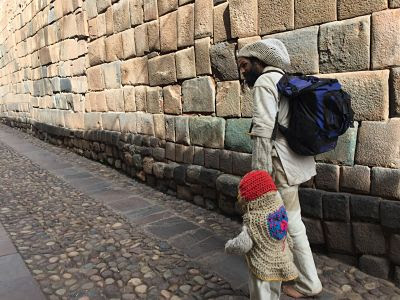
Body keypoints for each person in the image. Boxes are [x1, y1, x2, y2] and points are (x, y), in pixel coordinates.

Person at [236, 39, 323, 298]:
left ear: (259, 62)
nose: (242, 71)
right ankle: (309, 283)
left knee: (265, 233)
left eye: (244, 65)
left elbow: (263, 132)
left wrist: (258, 180)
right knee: (293, 224)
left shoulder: (264, 82)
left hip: (276, 169)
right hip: (295, 165)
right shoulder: (287, 81)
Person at [225, 170, 298, 300]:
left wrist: (229, 246)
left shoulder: (254, 220)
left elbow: (243, 244)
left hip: (261, 264)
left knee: (260, 290)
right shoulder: (279, 210)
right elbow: (285, 232)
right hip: (281, 258)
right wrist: (289, 244)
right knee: (275, 284)